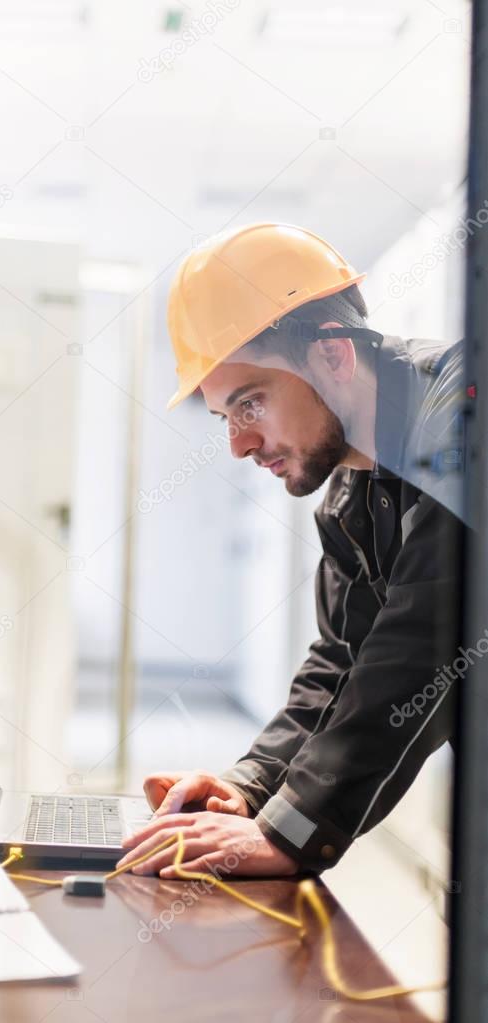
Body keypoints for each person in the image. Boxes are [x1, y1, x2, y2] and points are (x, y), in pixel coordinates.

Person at [116, 222, 465, 879]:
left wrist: (291, 830)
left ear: (332, 356)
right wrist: (251, 785)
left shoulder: (462, 405)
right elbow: (342, 659)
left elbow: (425, 638)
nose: (238, 445)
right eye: (225, 417)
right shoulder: (352, 496)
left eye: (250, 402)